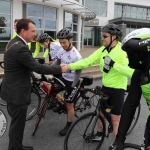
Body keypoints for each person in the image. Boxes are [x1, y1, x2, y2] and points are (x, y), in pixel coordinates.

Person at [1, 18, 65, 150]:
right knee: (17, 125)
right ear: (23, 31)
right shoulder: (20, 48)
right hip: (17, 93)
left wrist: (39, 79)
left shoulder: (14, 42)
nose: (35, 34)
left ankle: (17, 145)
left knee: (16, 124)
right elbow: (39, 68)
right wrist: (60, 68)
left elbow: (24, 66)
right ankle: (15, 148)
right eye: (33, 31)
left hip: (12, 89)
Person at [61, 24, 134, 140]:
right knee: (101, 113)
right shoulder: (103, 50)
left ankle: (116, 145)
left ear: (114, 37)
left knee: (115, 120)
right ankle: (99, 134)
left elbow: (131, 72)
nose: (102, 38)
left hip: (118, 89)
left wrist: (114, 65)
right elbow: (87, 61)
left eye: (105, 36)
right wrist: (69, 66)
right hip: (106, 87)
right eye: (102, 36)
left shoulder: (122, 51)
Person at [109, 28, 150, 150]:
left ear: (142, 52)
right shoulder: (140, 73)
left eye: (130, 53)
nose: (127, 56)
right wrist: (119, 140)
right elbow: (130, 105)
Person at [42, 28, 82, 136]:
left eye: (64, 42)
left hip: (73, 81)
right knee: (51, 89)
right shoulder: (61, 50)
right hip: (63, 78)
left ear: (71, 40)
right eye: (60, 42)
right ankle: (61, 103)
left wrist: (72, 87)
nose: (62, 45)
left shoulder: (76, 55)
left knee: (69, 105)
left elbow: (78, 73)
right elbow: (57, 62)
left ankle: (68, 126)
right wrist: (48, 69)